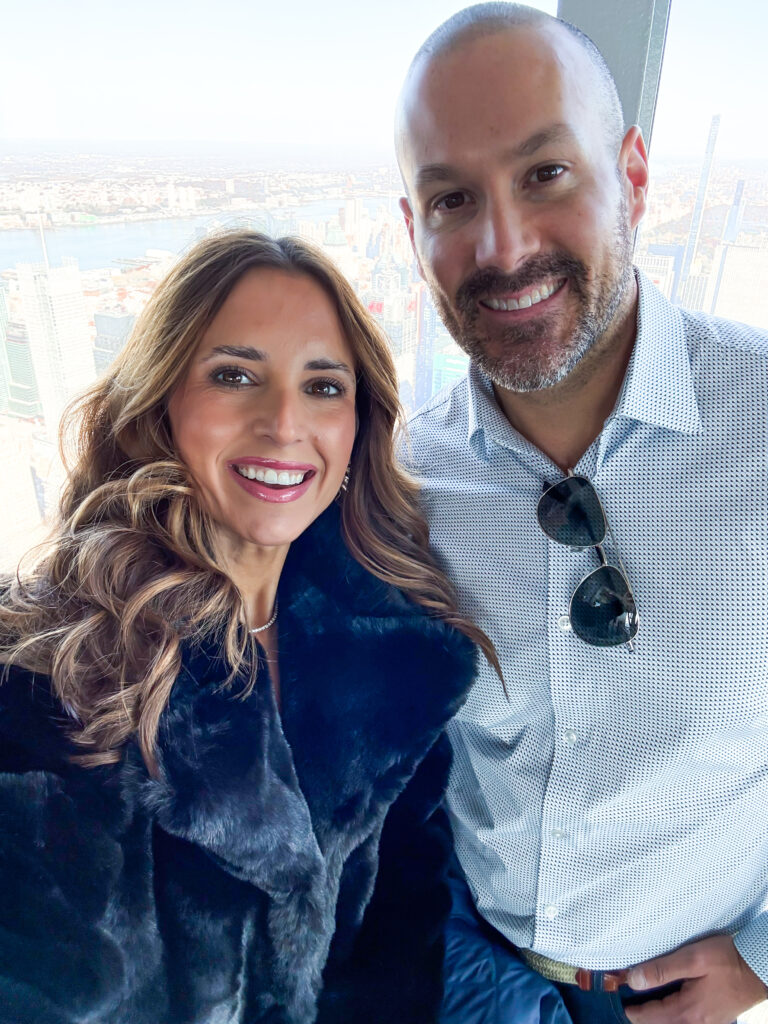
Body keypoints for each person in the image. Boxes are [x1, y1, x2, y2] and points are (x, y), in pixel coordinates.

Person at [0, 229, 492, 1024]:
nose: (284, 422)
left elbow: (399, 934)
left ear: (358, 424)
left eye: (324, 386)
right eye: (235, 376)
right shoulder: (44, 680)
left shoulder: (398, 656)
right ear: (161, 400)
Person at [395, 5, 768, 1024]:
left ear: (634, 178)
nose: (502, 245)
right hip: (469, 982)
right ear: (413, 229)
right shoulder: (398, 480)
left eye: (545, 175)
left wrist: (767, 958)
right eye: (452, 197)